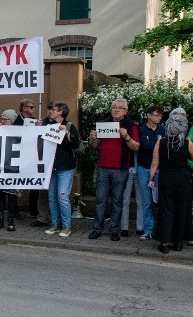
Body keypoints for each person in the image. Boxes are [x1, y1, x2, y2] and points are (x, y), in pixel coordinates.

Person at [88, 98, 140, 241]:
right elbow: (95, 145)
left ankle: (114, 230)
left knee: (117, 200)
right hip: (103, 167)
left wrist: (127, 136)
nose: (116, 109)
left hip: (120, 168)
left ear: (126, 111)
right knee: (100, 199)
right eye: (114, 107)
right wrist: (93, 138)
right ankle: (97, 229)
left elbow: (136, 147)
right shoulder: (104, 123)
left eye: (120, 107)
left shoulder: (131, 126)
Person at [150, 114, 193, 253]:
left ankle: (164, 241)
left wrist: (151, 179)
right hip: (183, 178)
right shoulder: (187, 142)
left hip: (166, 178)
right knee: (182, 209)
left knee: (166, 210)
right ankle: (178, 241)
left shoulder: (161, 142)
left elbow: (155, 163)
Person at [41, 101, 80, 237]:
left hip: (65, 167)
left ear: (61, 113)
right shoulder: (47, 125)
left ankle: (66, 226)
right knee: (52, 197)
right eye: (51, 109)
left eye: (54, 110)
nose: (51, 111)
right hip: (52, 168)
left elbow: (76, 144)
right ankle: (55, 224)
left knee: (62, 197)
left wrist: (67, 133)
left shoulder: (69, 125)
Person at [135, 105, 165, 241]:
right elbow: (144, 146)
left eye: (160, 115)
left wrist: (154, 144)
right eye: (156, 114)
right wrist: (157, 144)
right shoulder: (141, 129)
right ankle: (148, 230)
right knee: (146, 201)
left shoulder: (163, 129)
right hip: (144, 168)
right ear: (148, 115)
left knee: (160, 201)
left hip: (160, 168)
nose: (159, 117)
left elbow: (163, 147)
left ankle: (161, 229)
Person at [16, 99, 46, 227]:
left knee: (34, 184)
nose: (34, 109)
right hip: (18, 156)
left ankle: (33, 209)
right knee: (16, 184)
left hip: (32, 156)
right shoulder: (17, 121)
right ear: (23, 108)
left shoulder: (34, 121)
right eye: (31, 107)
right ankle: (14, 210)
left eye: (34, 107)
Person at [0, 109, 19, 231]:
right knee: (1, 194)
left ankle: (11, 220)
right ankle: (0, 219)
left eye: (5, 119)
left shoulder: (19, 131)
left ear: (12, 120)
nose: (2, 121)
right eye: (1, 118)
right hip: (1, 167)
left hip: (13, 168)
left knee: (12, 195)